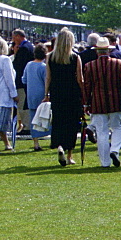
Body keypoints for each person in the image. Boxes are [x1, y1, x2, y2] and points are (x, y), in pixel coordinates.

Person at [83, 36, 121, 167]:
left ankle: (105, 162)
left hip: (98, 103)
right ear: (108, 51)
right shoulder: (118, 64)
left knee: (101, 132)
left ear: (97, 51)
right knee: (117, 127)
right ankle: (115, 149)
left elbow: (87, 86)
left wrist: (86, 103)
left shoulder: (90, 66)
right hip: (115, 101)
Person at [44, 28, 84, 166]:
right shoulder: (75, 57)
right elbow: (80, 78)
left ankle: (59, 145)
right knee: (72, 123)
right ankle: (69, 155)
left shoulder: (50, 57)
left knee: (58, 120)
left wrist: (46, 94)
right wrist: (83, 93)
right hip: (72, 92)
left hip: (57, 92)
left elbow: (48, 77)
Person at [23, 44, 49, 151]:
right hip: (42, 94)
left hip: (30, 94)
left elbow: (24, 80)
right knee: (45, 116)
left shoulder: (28, 65)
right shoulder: (44, 67)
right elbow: (46, 81)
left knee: (33, 118)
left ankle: (36, 142)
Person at [10, 29, 34, 134]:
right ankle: (25, 125)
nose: (13, 40)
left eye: (14, 37)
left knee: (22, 104)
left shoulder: (23, 49)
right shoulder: (29, 46)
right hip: (27, 80)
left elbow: (17, 66)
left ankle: (26, 126)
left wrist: (15, 54)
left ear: (19, 36)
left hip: (21, 81)